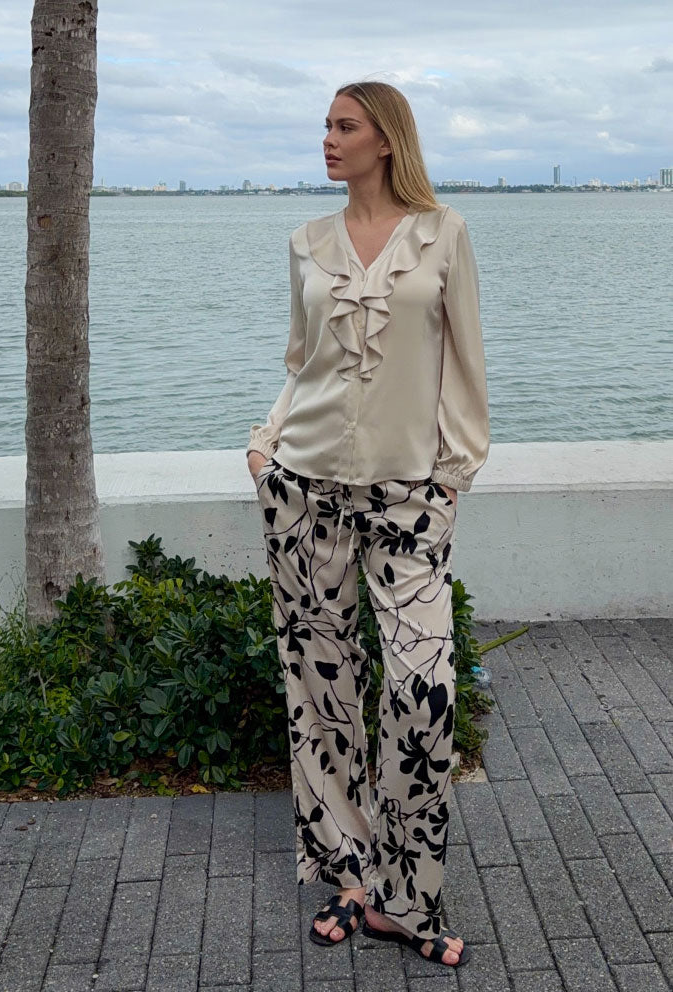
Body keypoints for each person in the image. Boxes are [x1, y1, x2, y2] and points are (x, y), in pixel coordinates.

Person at [246, 80, 489, 970]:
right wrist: (264, 446)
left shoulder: (442, 234)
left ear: (385, 139)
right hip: (303, 490)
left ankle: (408, 897)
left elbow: (464, 361)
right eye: (325, 125)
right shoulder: (306, 242)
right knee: (322, 694)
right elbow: (300, 361)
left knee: (422, 691)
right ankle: (355, 879)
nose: (327, 138)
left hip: (408, 499)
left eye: (344, 126)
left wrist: (453, 474)